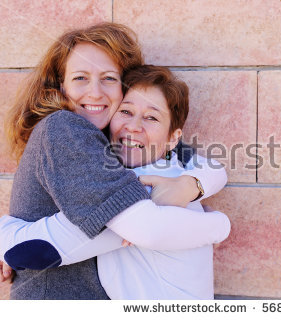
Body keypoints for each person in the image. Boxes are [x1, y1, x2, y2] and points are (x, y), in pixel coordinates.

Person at [0, 22, 227, 299]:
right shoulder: (65, 128)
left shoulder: (114, 142)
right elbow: (144, 227)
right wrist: (219, 225)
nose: (95, 92)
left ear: (121, 88)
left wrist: (191, 185)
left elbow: (208, 165)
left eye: (108, 78)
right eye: (80, 78)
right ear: (61, 87)